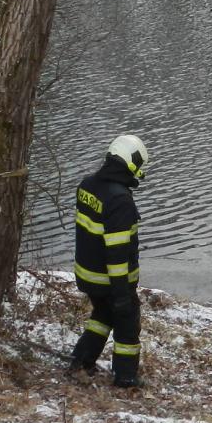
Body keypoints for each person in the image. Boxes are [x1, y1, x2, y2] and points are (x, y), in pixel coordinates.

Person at [68, 134, 149, 387]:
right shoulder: (120, 200)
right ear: (130, 163)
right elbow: (117, 253)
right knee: (127, 324)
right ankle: (126, 376)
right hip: (112, 279)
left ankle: (82, 360)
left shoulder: (87, 185)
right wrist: (122, 293)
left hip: (86, 274)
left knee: (103, 314)